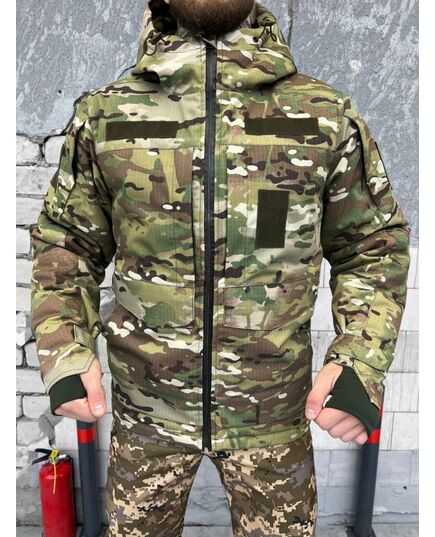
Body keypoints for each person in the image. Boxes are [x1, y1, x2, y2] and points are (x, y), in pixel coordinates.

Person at [30, 0, 411, 535]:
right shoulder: (106, 116)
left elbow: (372, 245)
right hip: (146, 417)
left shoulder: (324, 115)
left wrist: (359, 360)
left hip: (275, 420)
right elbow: (65, 245)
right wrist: (65, 348)